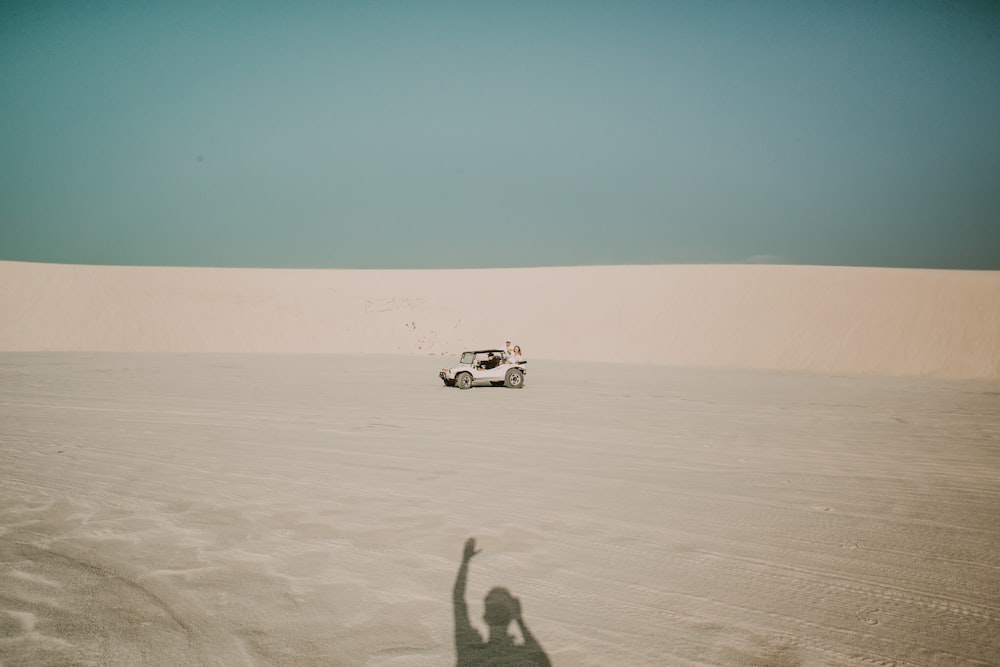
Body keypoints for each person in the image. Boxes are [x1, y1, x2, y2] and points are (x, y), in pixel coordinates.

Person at [454, 538, 550, 667]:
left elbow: (458, 602)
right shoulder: (523, 660)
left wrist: (465, 562)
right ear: (511, 615)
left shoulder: (471, 655)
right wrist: (520, 621)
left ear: (485, 617)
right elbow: (544, 662)